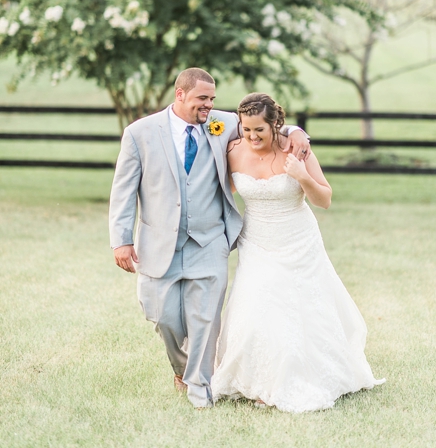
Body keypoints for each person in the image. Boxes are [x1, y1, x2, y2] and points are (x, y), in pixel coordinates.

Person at [108, 68, 309, 409]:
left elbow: (264, 127)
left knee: (205, 319)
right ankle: (183, 369)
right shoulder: (139, 133)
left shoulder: (223, 123)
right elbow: (123, 190)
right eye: (203, 99)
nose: (209, 106)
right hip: (159, 243)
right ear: (180, 94)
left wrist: (297, 132)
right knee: (160, 314)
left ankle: (200, 388)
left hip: (210, 239)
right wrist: (121, 239)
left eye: (212, 99)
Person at [210, 93, 383, 412]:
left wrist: (301, 175)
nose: (251, 137)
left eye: (259, 130)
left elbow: (325, 199)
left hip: (298, 240)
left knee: (298, 306)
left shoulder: (296, 150)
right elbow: (221, 185)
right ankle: (257, 378)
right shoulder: (233, 149)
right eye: (246, 130)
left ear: (276, 125)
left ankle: (299, 376)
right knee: (257, 304)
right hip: (257, 240)